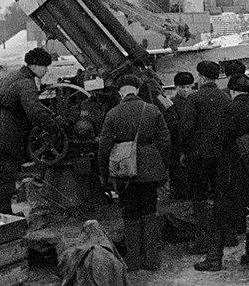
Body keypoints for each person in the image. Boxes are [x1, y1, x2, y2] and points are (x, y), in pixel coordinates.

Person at [98, 74, 171, 271]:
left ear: (121, 92)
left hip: (124, 171)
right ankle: (152, 260)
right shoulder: (152, 110)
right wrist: (161, 166)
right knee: (149, 210)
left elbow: (104, 146)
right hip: (149, 171)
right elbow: (165, 141)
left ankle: (134, 261)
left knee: (130, 212)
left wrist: (104, 172)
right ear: (137, 90)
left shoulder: (113, 113)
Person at [0, 48, 61, 215]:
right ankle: (4, 215)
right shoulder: (26, 83)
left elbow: (35, 107)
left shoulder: (14, 76)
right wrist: (55, 128)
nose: (46, 71)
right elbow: (34, 112)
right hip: (5, 134)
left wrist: (51, 116)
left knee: (1, 175)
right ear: (35, 65)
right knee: (4, 176)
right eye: (45, 66)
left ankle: (4, 212)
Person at [194, 74, 249, 271]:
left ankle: (214, 260)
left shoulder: (231, 108)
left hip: (231, 166)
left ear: (232, 90)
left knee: (220, 213)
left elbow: (221, 136)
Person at [179, 60, 229, 253]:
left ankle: (201, 242)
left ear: (201, 77)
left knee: (199, 198)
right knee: (220, 196)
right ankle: (224, 238)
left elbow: (186, 129)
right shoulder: (225, 98)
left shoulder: (195, 99)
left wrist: (184, 150)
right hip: (220, 155)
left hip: (198, 156)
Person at [167, 71, 194, 199]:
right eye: (182, 87)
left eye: (188, 87)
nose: (186, 90)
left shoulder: (195, 100)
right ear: (176, 88)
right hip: (178, 146)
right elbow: (172, 125)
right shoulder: (171, 103)